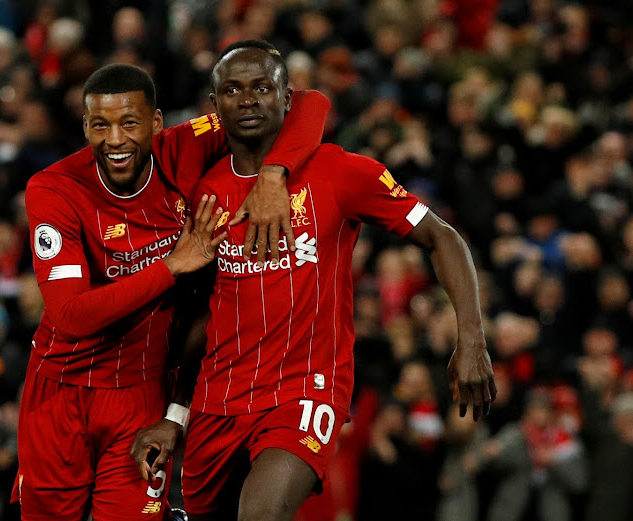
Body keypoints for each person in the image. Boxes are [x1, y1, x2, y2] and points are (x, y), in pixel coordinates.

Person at [131, 40, 497, 521]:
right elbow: (200, 314)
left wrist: (470, 340)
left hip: (305, 391)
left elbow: (442, 237)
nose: (248, 99)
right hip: (217, 402)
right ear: (214, 105)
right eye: (233, 90)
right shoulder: (204, 193)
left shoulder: (340, 172)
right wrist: (176, 415)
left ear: (287, 98)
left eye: (263, 87)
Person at [11, 62, 328, 521]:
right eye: (100, 125)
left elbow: (307, 103)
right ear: (85, 126)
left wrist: (274, 175)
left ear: (157, 124)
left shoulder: (186, 146)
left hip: (141, 395)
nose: (115, 140)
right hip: (60, 392)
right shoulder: (54, 188)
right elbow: (72, 317)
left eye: (130, 123)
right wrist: (173, 266)